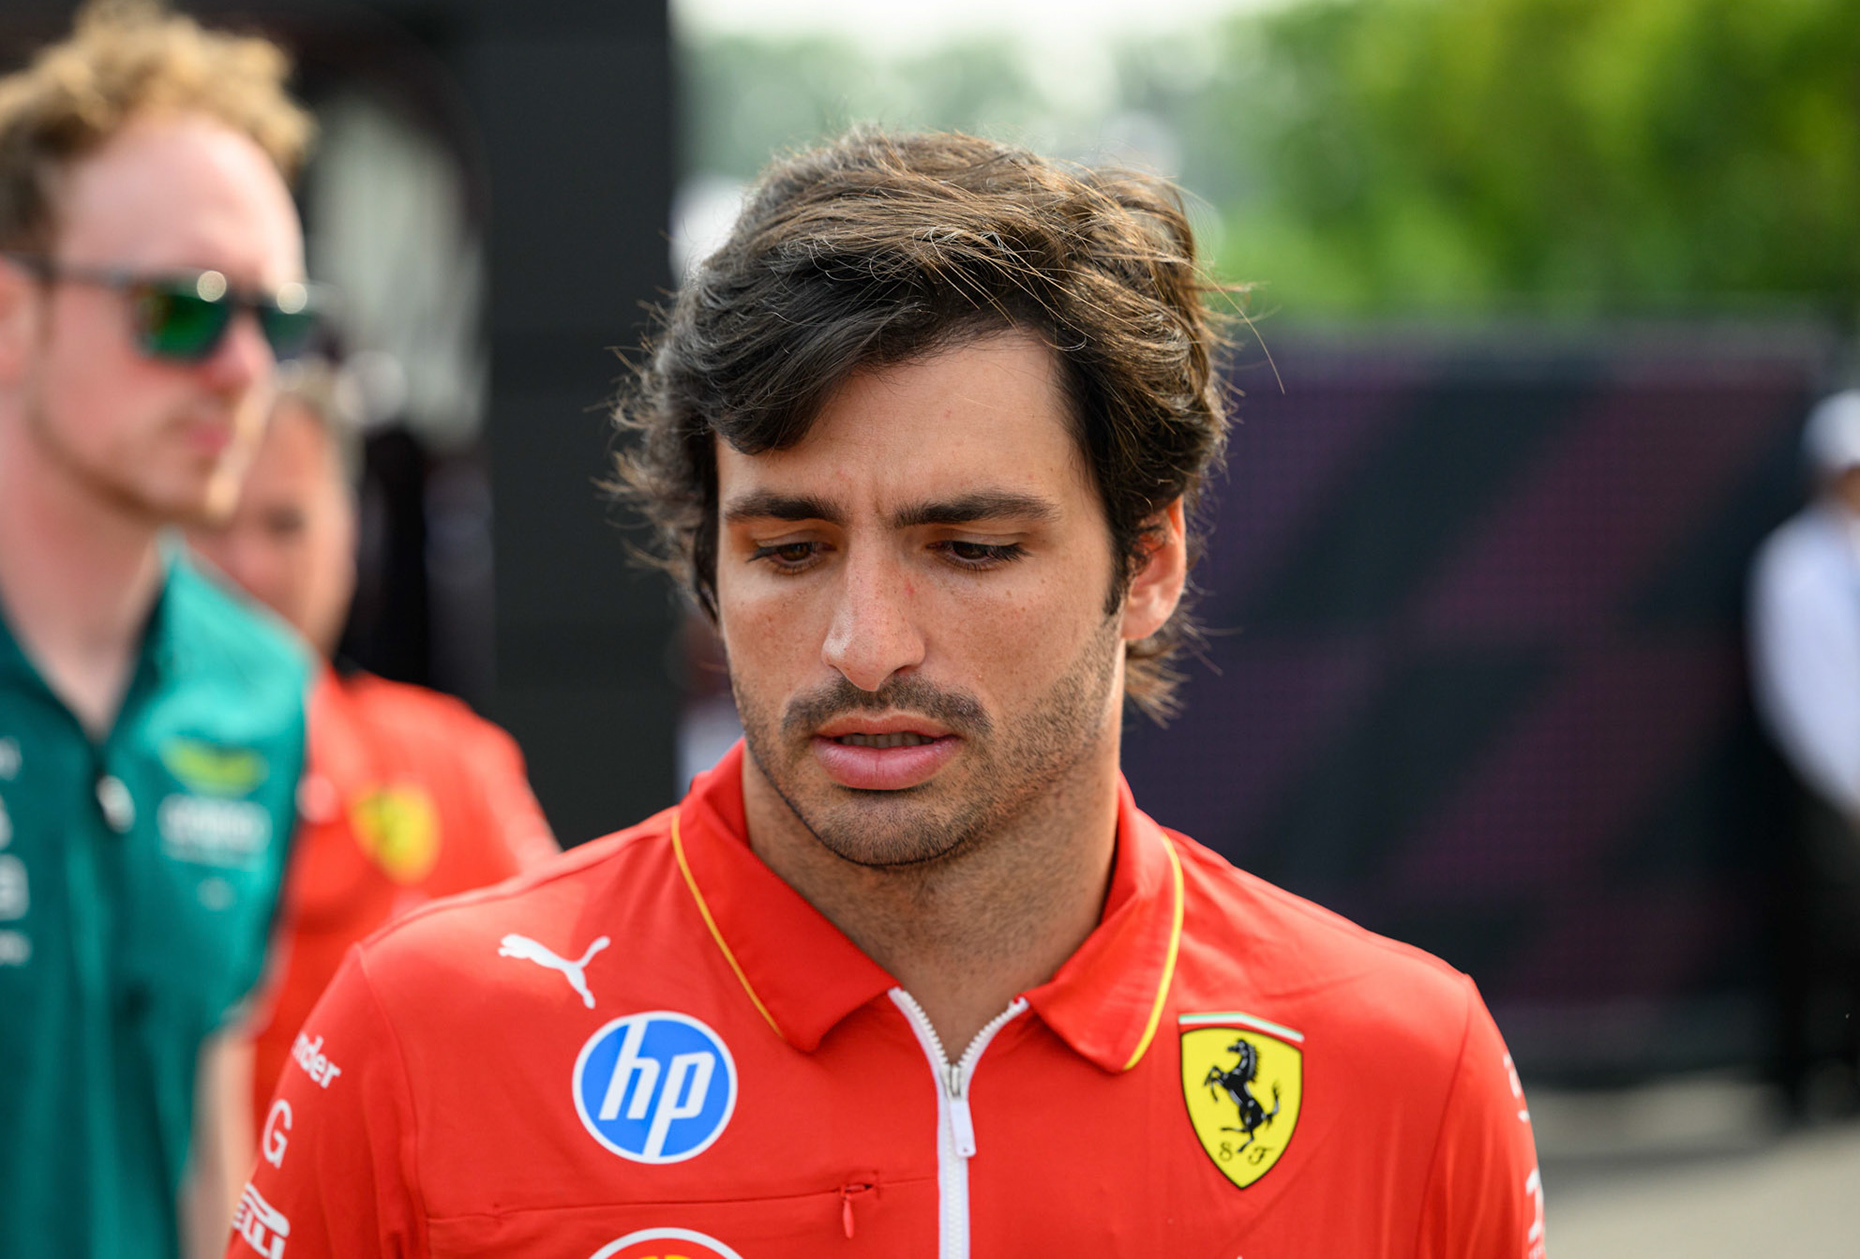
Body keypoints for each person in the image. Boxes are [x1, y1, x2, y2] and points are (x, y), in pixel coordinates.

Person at [234, 131, 1543, 1258]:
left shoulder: (1401, 1065)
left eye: (970, 547)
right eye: (789, 549)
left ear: (1148, 563)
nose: (865, 646)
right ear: (705, 562)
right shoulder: (424, 1036)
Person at [0, 0, 318, 1257]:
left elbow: (204, 1120)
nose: (242, 369)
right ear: (12, 312)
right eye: (181, 306)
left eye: (278, 317)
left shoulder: (261, 690)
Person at [185, 362, 557, 1129]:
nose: (248, 567)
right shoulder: (79, 771)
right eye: (213, 520)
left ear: (350, 534)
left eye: (285, 524)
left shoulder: (455, 762)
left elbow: (565, 1018)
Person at [1749, 388, 1860, 1117]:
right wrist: (1855, 781)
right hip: (1820, 784)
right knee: (1810, 929)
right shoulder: (1791, 564)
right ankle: (1798, 1076)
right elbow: (1797, 686)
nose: (1859, 484)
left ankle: (1858, 1070)